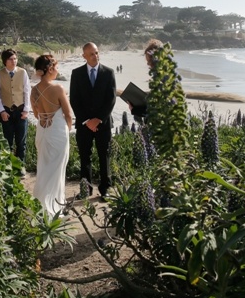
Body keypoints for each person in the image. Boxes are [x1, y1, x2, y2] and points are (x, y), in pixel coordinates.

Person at [69, 42, 117, 200]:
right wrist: (87, 121)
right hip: (84, 125)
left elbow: (111, 99)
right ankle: (86, 189)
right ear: (84, 56)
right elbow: (74, 100)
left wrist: (98, 119)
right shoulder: (76, 74)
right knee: (85, 157)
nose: (95, 56)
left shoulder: (108, 73)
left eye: (96, 53)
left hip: (103, 124)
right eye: (91, 54)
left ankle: (105, 189)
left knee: (105, 156)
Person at [31, 54, 73, 218]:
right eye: (56, 67)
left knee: (44, 168)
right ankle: (55, 206)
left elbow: (36, 114)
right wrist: (67, 130)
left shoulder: (34, 90)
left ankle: (41, 204)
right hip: (57, 132)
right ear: (49, 69)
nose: (57, 70)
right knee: (57, 169)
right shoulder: (58, 88)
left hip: (42, 131)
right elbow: (68, 114)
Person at [0, 49, 31, 175]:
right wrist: (2, 111)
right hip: (6, 112)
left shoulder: (23, 72)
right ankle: (7, 167)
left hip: (20, 111)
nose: (13, 61)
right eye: (10, 59)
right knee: (7, 141)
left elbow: (27, 92)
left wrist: (26, 111)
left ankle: (20, 167)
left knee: (21, 142)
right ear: (5, 61)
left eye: (15, 58)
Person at [128, 39, 163, 122]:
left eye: (149, 61)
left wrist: (135, 110)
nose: (147, 64)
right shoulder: (159, 76)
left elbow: (158, 111)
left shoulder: (163, 78)